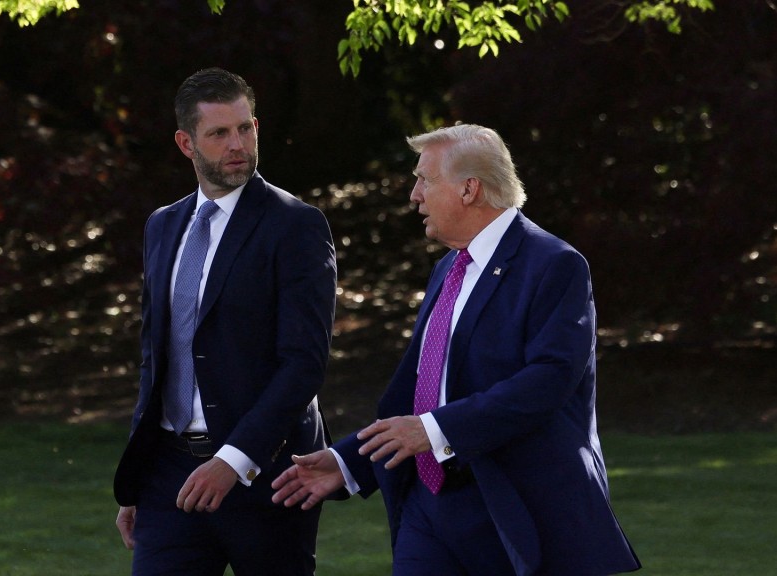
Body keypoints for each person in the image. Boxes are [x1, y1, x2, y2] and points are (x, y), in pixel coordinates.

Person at [272, 124, 640, 575]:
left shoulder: (555, 264)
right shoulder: (449, 267)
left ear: (470, 189)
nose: (414, 195)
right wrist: (348, 463)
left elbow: (549, 380)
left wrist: (436, 431)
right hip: (430, 506)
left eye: (425, 179)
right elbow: (422, 389)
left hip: (516, 509)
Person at [113, 67, 337, 576]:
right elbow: (157, 357)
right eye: (218, 133)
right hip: (168, 475)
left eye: (245, 128)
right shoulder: (162, 225)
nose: (237, 144)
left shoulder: (296, 225)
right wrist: (138, 476)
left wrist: (233, 460)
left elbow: (304, 364)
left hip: (270, 473)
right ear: (185, 143)